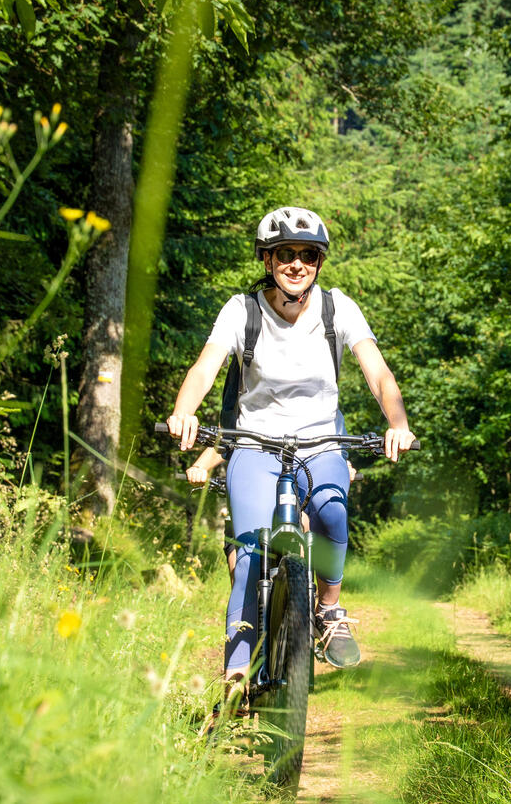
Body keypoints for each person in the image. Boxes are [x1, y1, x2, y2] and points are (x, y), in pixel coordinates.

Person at [167, 207, 415, 680]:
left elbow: (378, 374)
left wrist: (397, 423)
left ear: (319, 262)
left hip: (322, 441)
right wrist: (184, 411)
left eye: (308, 255)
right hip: (256, 444)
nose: (297, 264)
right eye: (285, 254)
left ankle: (329, 610)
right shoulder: (241, 310)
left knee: (332, 509)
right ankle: (237, 677)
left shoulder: (337, 307)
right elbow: (205, 367)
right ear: (267, 260)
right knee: (250, 554)